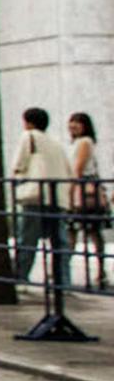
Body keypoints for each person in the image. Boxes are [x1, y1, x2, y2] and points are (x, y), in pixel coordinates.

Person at [11, 106, 73, 286]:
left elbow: (18, 164)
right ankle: (63, 281)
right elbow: (68, 170)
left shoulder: (29, 136)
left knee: (27, 240)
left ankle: (20, 278)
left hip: (36, 195)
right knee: (59, 242)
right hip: (58, 197)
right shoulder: (56, 143)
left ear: (28, 123)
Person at [69, 112, 106, 289]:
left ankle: (63, 269)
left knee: (77, 230)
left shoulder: (84, 142)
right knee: (90, 231)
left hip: (83, 192)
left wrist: (69, 191)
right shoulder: (80, 142)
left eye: (77, 122)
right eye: (71, 122)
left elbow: (78, 170)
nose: (73, 125)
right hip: (85, 190)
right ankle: (100, 271)